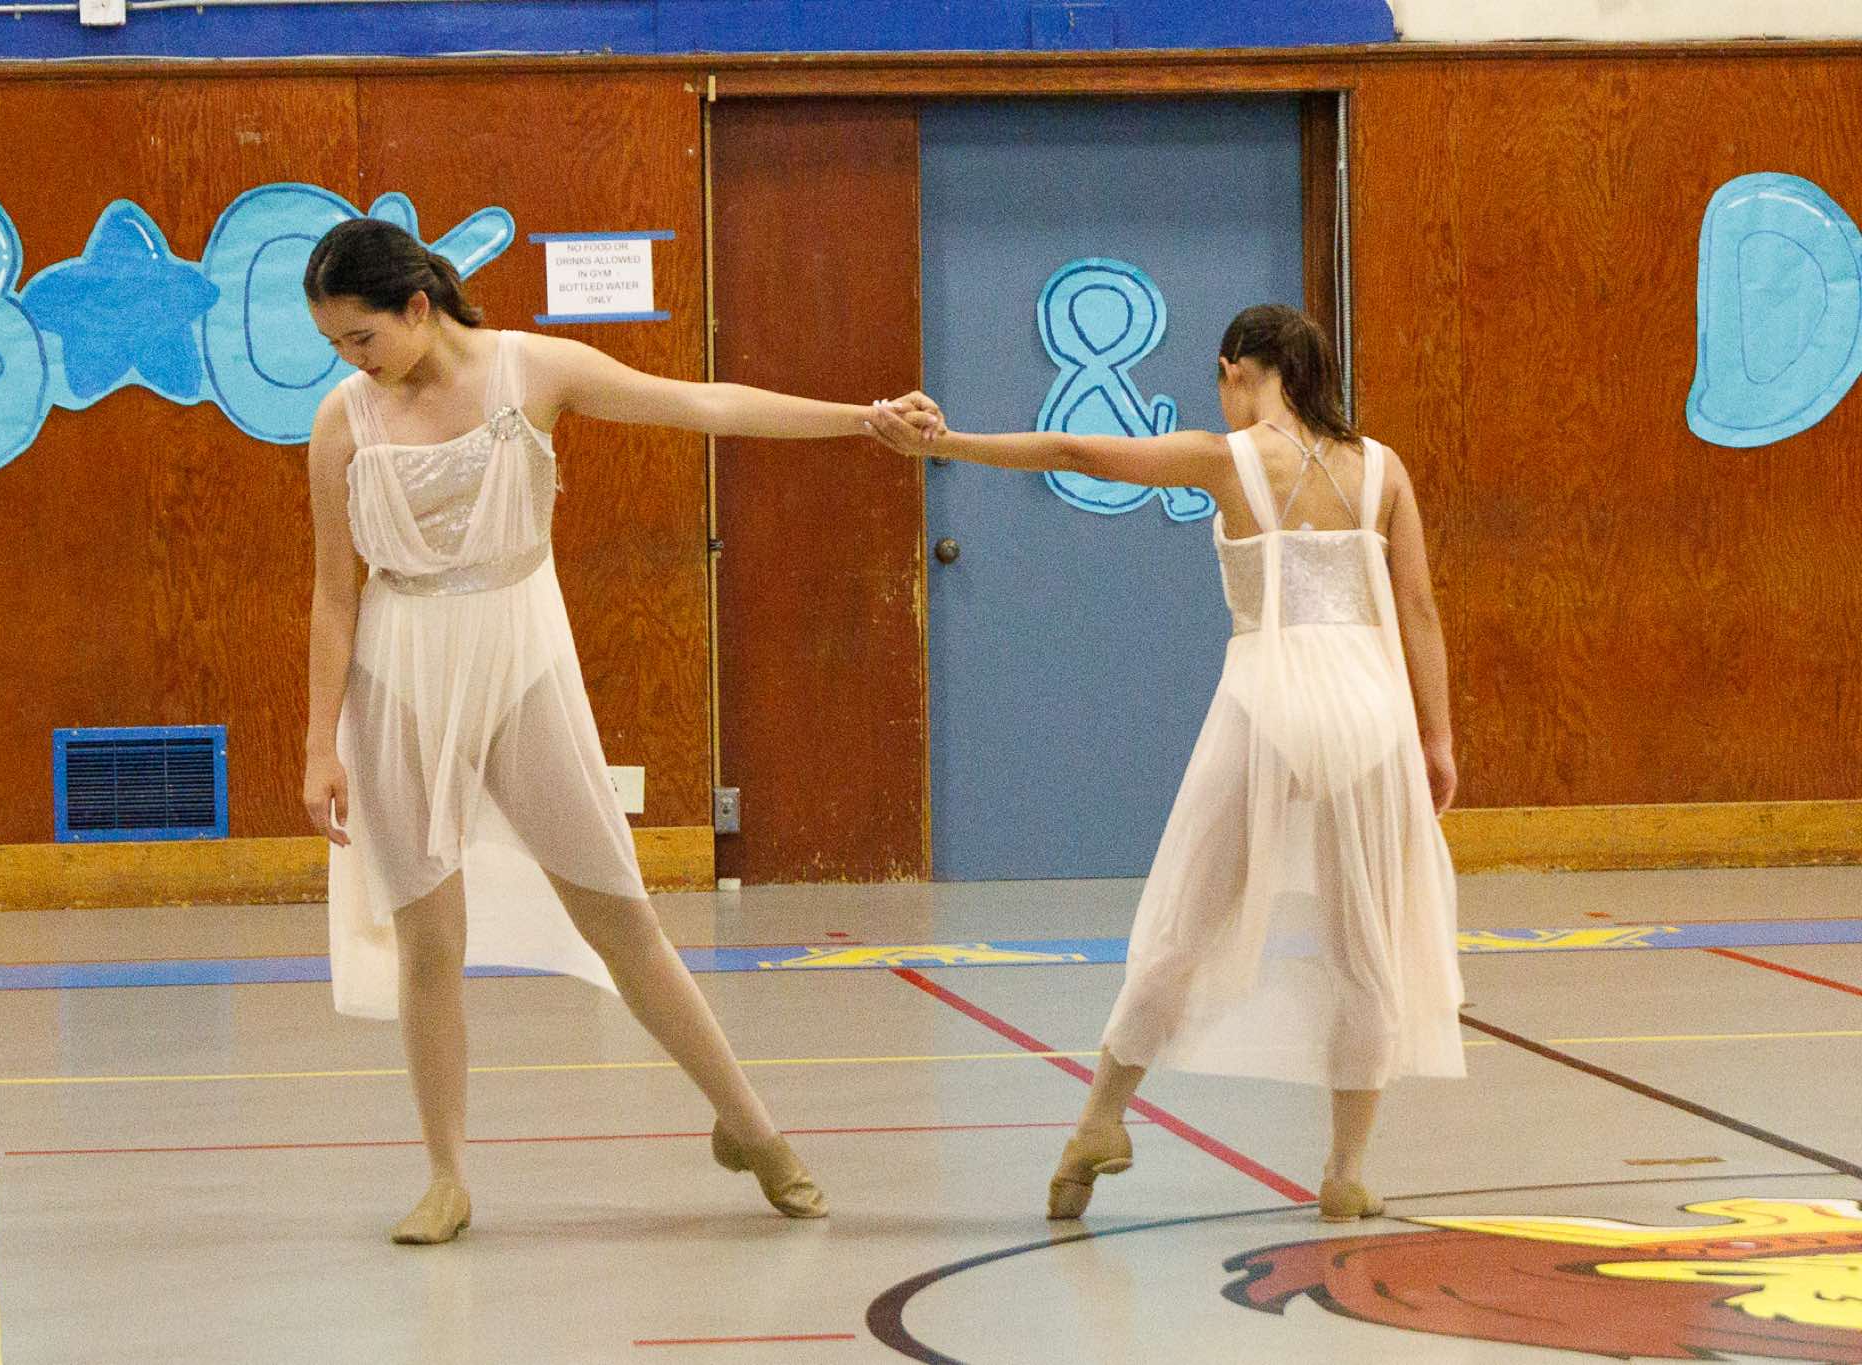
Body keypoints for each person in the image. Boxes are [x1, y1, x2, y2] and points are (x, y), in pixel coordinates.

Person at [302, 218, 902, 1243]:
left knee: (619, 913)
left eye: (361, 337)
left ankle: (752, 1128)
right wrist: (321, 742)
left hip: (518, 656)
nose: (351, 360)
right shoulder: (341, 420)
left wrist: (863, 419)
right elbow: (332, 592)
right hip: (398, 675)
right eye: (335, 345)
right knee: (428, 941)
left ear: (418, 307)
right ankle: (446, 1176)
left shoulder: (533, 370)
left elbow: (702, 403)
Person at [866, 304, 1466, 1223]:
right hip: (1372, 714)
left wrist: (946, 444)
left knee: (1185, 926)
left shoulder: (1227, 458)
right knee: (1365, 949)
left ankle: (1100, 1120)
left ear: (1235, 372)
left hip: (1268, 703)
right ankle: (1345, 1171)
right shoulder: (1383, 467)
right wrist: (1438, 737)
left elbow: (1076, 451)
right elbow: (1417, 606)